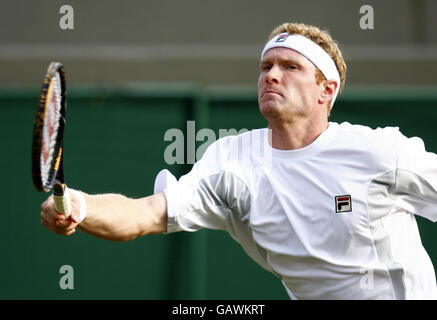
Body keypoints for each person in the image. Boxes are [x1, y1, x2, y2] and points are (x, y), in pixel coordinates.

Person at [40, 22, 437, 300]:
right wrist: (82, 205)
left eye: (290, 67)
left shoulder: (380, 153)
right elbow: (143, 215)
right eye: (266, 66)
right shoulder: (232, 163)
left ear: (326, 90)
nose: (271, 76)